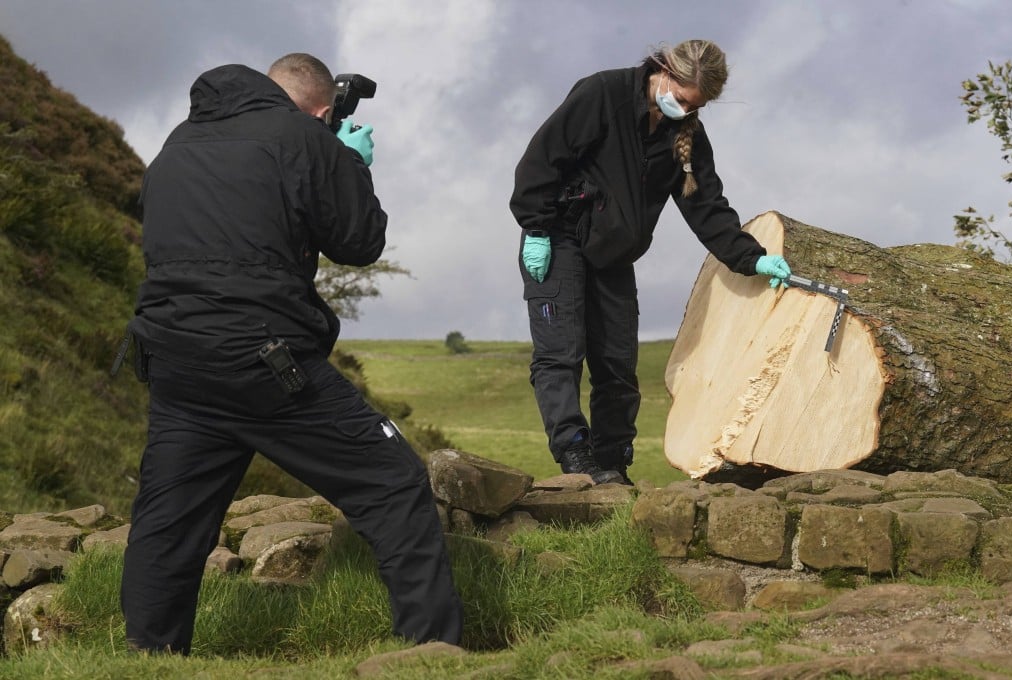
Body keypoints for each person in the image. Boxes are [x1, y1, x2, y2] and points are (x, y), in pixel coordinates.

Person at [118, 53, 463, 654]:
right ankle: (430, 651)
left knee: (169, 522)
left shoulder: (179, 140)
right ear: (324, 111)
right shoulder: (304, 137)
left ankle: (147, 655)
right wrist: (349, 162)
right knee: (394, 480)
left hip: (173, 359)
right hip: (264, 363)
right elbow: (359, 241)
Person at [509, 39, 790, 486]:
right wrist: (537, 228)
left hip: (615, 255)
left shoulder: (687, 136)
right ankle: (575, 455)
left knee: (618, 364)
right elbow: (540, 161)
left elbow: (707, 207)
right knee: (560, 355)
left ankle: (613, 462)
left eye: (693, 106)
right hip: (558, 238)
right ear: (662, 70)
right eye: (679, 99)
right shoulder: (603, 94)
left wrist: (753, 259)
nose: (682, 109)